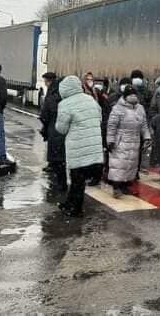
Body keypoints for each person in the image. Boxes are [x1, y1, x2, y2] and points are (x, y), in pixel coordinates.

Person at [55, 75, 104, 218]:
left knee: (77, 180)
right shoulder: (91, 100)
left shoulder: (65, 104)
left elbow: (61, 129)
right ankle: (69, 203)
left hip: (78, 148)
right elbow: (99, 119)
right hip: (93, 147)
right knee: (79, 180)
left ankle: (75, 209)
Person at [106, 85, 151, 198]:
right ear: (125, 96)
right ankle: (116, 187)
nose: (133, 97)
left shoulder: (140, 108)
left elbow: (144, 125)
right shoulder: (117, 108)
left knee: (130, 165)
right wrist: (110, 140)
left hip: (135, 140)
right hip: (120, 141)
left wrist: (147, 137)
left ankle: (125, 185)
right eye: (130, 95)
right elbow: (112, 126)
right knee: (119, 165)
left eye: (134, 94)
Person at [38, 73, 66, 190]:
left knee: (55, 153)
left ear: (49, 81)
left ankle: (59, 183)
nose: (45, 83)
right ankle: (60, 178)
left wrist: (45, 125)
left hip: (53, 127)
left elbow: (45, 113)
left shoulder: (51, 94)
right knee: (61, 155)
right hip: (64, 127)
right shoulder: (64, 94)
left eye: (45, 81)